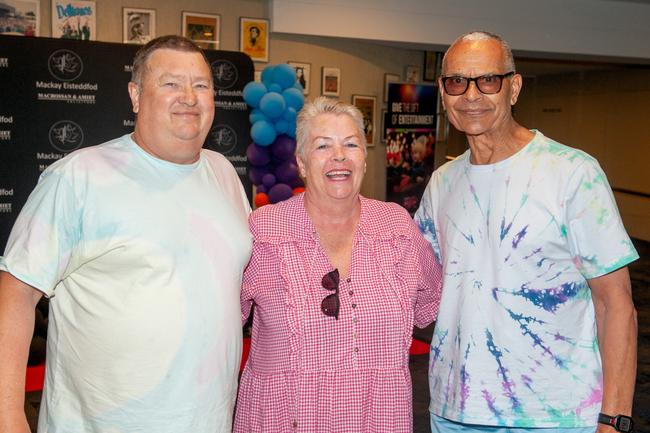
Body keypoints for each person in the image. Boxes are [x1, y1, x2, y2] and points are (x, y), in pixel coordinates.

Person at [0, 35, 252, 433]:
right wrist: (7, 416)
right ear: (135, 95)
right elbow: (14, 293)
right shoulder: (79, 177)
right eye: (170, 83)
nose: (189, 96)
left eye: (201, 85)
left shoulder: (223, 173)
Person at [415, 31, 639, 433]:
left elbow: (616, 304)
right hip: (452, 412)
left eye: (487, 80)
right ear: (444, 93)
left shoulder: (572, 173)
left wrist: (614, 420)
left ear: (513, 88)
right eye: (456, 82)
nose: (471, 95)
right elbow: (416, 286)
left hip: (552, 418)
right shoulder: (442, 183)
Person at [234, 96, 443, 432]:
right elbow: (220, 323)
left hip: (378, 418)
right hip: (286, 419)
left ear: (363, 159)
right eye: (322, 146)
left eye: (351, 144)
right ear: (301, 162)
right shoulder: (263, 230)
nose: (339, 156)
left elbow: (436, 306)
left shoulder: (396, 227)